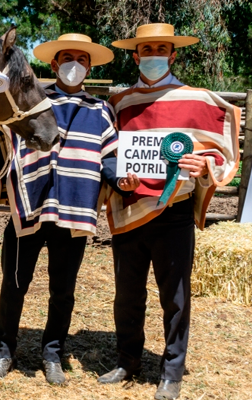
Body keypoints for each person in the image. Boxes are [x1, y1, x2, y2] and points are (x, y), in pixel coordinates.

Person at [98, 23, 240, 400]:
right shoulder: (120, 102)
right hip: (129, 209)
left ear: (173, 54)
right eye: (148, 50)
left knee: (175, 296)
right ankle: (127, 361)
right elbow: (107, 153)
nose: (155, 55)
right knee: (127, 294)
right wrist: (117, 179)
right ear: (136, 55)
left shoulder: (199, 100)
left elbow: (216, 150)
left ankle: (171, 372)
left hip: (173, 210)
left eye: (162, 48)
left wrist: (202, 165)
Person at [0, 34, 120, 385]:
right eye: (67, 58)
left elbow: (110, 159)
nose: (74, 64)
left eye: (82, 58)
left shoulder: (101, 111)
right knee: (14, 283)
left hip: (74, 210)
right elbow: (1, 130)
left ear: (90, 66)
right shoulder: (30, 100)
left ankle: (53, 352)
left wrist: (123, 179)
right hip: (28, 207)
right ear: (54, 64)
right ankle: (4, 350)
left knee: (63, 288)